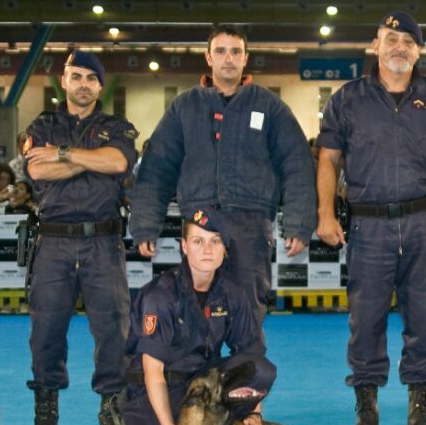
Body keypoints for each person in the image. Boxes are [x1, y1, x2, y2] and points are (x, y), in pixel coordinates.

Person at [315, 12, 426, 425]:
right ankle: (367, 412)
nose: (399, 47)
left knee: (425, 316)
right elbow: (328, 159)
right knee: (365, 319)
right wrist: (325, 213)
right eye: (390, 39)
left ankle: (419, 411)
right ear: (375, 45)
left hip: (424, 223)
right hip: (368, 225)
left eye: (408, 41)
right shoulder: (347, 99)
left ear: (418, 51)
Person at [131, 24, 314, 328]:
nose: (228, 58)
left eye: (235, 52)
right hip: (200, 222)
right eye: (220, 51)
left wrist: (299, 223)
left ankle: (246, 360)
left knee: (248, 313)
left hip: (251, 225)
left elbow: (297, 164)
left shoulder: (270, 106)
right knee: (195, 309)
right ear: (208, 58)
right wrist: (145, 225)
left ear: (245, 58)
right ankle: (199, 360)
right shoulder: (184, 107)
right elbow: (156, 169)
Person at [110, 208, 277, 425]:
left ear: (225, 249)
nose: (207, 249)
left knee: (261, 370)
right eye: (198, 241)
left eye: (215, 241)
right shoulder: (161, 295)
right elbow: (153, 372)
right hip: (156, 388)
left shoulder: (233, 293)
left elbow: (251, 354)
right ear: (184, 247)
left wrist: (253, 414)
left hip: (200, 387)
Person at [22, 50, 138, 425]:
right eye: (76, 76)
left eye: (91, 78)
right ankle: (46, 418)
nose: (83, 84)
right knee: (45, 332)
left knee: (113, 331)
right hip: (53, 242)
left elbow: (118, 163)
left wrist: (64, 154)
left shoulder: (116, 126)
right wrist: (92, 161)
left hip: (102, 242)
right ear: (64, 81)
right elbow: (37, 169)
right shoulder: (42, 125)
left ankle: (112, 413)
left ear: (100, 86)